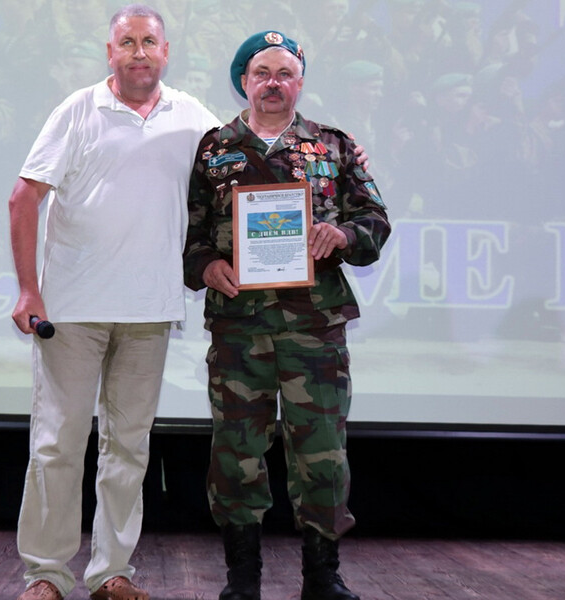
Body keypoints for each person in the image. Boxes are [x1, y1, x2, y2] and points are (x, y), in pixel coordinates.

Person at [7, 5, 221, 600]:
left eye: (149, 41)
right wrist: (28, 289)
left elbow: (244, 166)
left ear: (166, 51)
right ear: (110, 53)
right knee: (57, 444)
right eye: (127, 42)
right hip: (71, 311)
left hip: (149, 312)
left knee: (128, 448)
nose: (139, 52)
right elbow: (23, 198)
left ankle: (110, 573)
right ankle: (46, 575)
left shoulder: (192, 117)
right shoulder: (78, 110)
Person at [183, 30, 391, 600]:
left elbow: (375, 221)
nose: (273, 83)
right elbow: (191, 234)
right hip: (239, 329)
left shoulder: (334, 146)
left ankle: (323, 577)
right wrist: (206, 266)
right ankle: (242, 578)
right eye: (262, 73)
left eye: (285, 74)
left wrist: (342, 234)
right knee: (236, 453)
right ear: (243, 81)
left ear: (299, 83)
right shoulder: (212, 149)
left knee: (321, 453)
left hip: (314, 329)